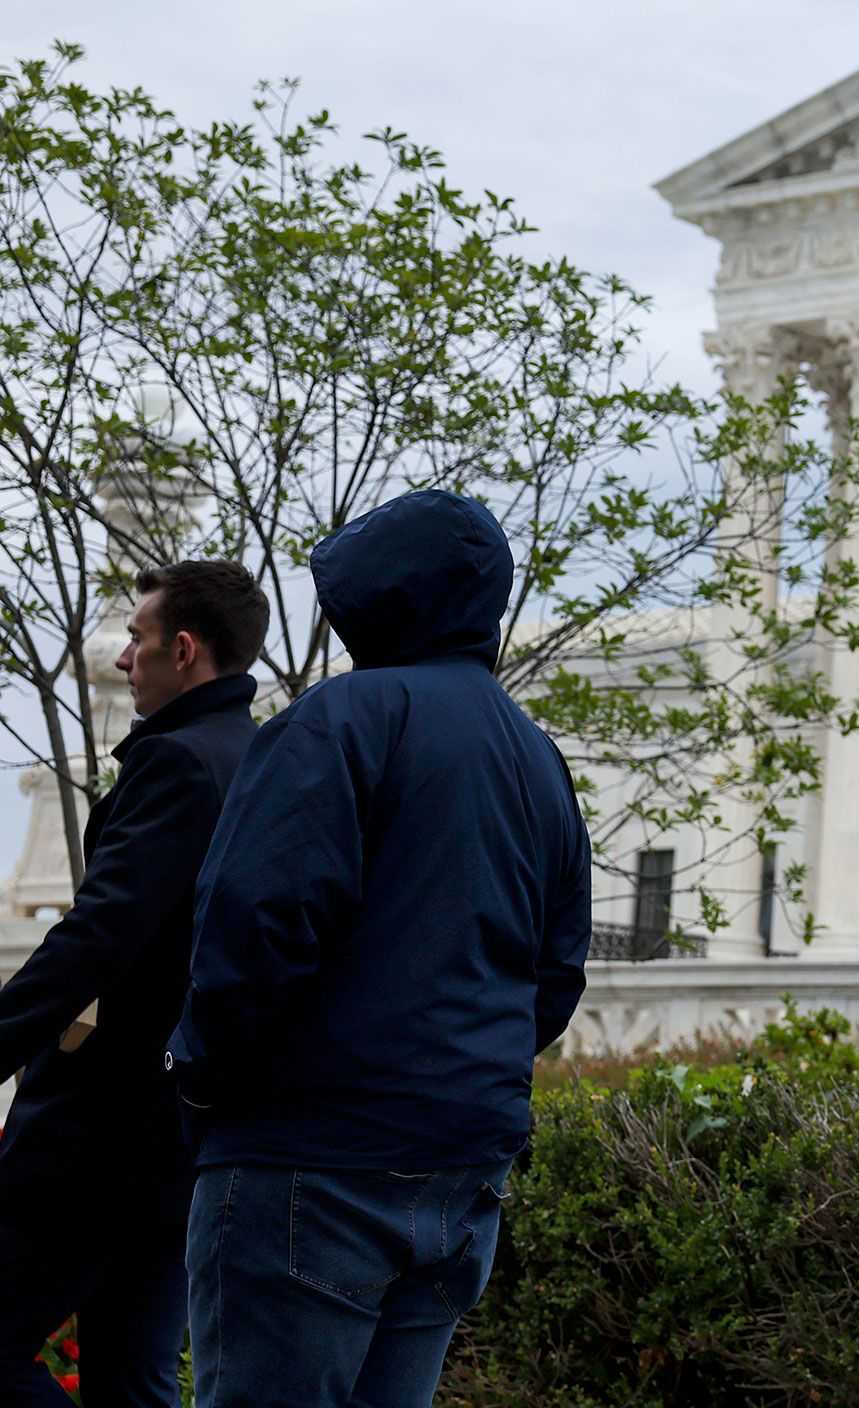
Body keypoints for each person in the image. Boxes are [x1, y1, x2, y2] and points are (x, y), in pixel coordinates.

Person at [167, 491, 591, 1408]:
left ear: (375, 595)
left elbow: (255, 921)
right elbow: (556, 971)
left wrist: (200, 1077)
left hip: (309, 1159)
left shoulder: (339, 719)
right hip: (460, 1165)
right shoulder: (535, 755)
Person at [0, 561, 265, 1407]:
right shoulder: (257, 757)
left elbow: (99, 936)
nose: (122, 658)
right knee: (133, 1374)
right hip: (183, 1128)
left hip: (101, 1127)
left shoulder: (181, 764)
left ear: (183, 650)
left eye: (138, 639)